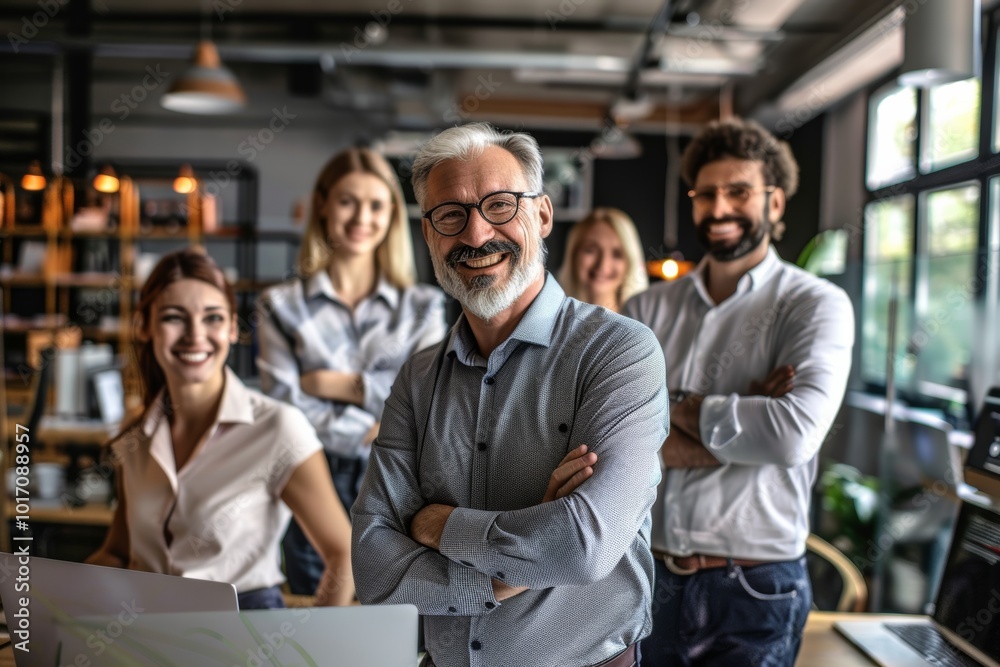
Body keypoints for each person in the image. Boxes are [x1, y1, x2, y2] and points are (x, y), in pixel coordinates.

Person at [351, 122, 668, 667]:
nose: (475, 236)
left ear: (542, 215)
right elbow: (374, 570)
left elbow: (582, 546)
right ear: (428, 235)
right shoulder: (418, 378)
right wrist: (520, 552)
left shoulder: (619, 352)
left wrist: (440, 524)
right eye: (450, 215)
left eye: (500, 205)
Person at [622, 117, 855, 665]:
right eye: (707, 193)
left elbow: (790, 437)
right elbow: (618, 446)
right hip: (645, 576)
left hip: (756, 586)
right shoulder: (646, 309)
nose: (720, 207)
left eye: (740, 192)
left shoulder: (814, 305)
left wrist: (669, 406)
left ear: (775, 203)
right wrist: (745, 414)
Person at [87, 248, 354, 609]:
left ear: (232, 328)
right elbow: (118, 553)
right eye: (173, 317)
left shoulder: (278, 427)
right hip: (144, 640)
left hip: (243, 642)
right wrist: (52, 597)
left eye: (212, 318)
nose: (195, 335)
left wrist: (311, 652)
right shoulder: (134, 431)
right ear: (145, 326)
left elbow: (345, 553)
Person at [256, 147, 447, 596]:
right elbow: (288, 410)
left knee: (390, 622)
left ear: (392, 215)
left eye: (376, 204)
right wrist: (381, 417)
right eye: (347, 201)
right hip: (310, 478)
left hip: (396, 478)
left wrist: (336, 385)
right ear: (322, 204)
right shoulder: (280, 306)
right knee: (318, 627)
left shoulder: (423, 307)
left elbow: (427, 400)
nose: (362, 216)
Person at [557, 207, 648, 312]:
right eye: (590, 250)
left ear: (630, 262)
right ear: (573, 255)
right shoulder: (551, 320)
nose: (603, 264)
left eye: (617, 254)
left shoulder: (645, 322)